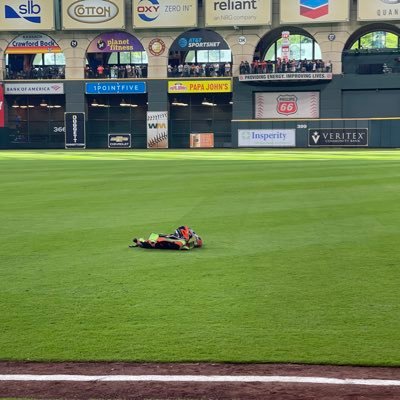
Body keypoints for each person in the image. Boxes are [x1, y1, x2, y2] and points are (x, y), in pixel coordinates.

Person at [130, 226, 203, 251]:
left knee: (152, 240)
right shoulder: (182, 239)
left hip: (158, 240)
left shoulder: (181, 240)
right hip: (158, 240)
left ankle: (141, 242)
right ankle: (141, 242)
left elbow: (199, 243)